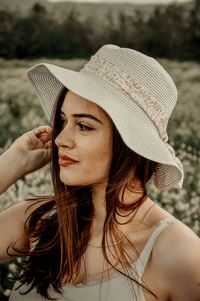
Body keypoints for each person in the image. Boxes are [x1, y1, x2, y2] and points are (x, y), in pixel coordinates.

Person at [0, 44, 199, 301]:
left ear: (132, 144)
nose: (61, 138)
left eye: (83, 126)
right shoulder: (41, 221)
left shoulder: (180, 255)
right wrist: (11, 164)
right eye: (62, 121)